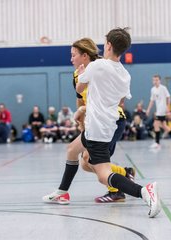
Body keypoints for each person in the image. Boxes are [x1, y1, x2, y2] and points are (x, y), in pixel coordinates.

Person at [43, 28, 160, 218]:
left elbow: (80, 88)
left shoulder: (96, 67)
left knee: (103, 174)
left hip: (97, 127)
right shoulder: (125, 74)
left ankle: (144, 192)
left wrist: (82, 76)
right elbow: (122, 100)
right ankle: (62, 191)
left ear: (108, 45)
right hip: (107, 123)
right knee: (72, 150)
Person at [43, 37, 135, 204]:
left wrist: (88, 110)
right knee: (76, 153)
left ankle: (118, 190)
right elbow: (81, 98)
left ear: (85, 55)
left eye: (73, 55)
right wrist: (82, 120)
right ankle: (62, 192)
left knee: (91, 162)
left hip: (112, 122)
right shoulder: (77, 74)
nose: (70, 59)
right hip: (94, 121)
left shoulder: (101, 66)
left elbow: (116, 98)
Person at [146, 75, 171, 148]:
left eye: (157, 80)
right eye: (154, 80)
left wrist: (168, 108)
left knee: (156, 124)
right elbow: (152, 100)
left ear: (159, 81)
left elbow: (168, 97)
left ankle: (157, 143)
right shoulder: (153, 89)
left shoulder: (163, 88)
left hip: (162, 110)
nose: (155, 82)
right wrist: (148, 109)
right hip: (158, 110)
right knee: (164, 126)